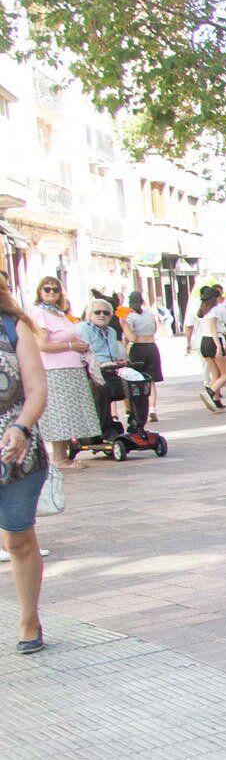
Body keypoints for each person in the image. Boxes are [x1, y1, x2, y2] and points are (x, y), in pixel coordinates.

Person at [0, 275, 49, 653]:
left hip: (14, 453)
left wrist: (21, 427)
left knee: (17, 538)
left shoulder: (13, 327)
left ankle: (29, 618)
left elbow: (36, 390)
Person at [26, 277, 96, 473]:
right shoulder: (39, 313)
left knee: (69, 413)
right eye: (47, 289)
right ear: (40, 291)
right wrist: (71, 346)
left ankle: (63, 455)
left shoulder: (58, 313)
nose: (51, 293)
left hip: (70, 368)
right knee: (60, 413)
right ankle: (59, 458)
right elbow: (42, 345)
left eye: (55, 290)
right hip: (56, 370)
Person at [79, 298, 132, 437]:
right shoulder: (83, 329)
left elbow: (115, 352)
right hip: (92, 371)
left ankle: (136, 423)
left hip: (110, 370)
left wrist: (122, 360)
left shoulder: (112, 331)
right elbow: (86, 354)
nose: (102, 315)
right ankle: (105, 428)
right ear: (89, 315)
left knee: (137, 384)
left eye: (106, 313)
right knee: (103, 389)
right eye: (97, 312)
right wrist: (100, 364)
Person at [191, 287, 226, 411]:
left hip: (204, 341)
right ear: (217, 298)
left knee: (215, 373)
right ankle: (210, 393)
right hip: (215, 341)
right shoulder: (218, 309)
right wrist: (219, 346)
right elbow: (215, 329)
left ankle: (216, 401)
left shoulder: (204, 310)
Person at [123, 293, 163, 412]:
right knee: (151, 379)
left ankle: (138, 408)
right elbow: (155, 329)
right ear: (142, 301)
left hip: (137, 348)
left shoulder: (130, 317)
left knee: (137, 378)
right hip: (152, 347)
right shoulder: (150, 314)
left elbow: (131, 338)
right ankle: (152, 408)